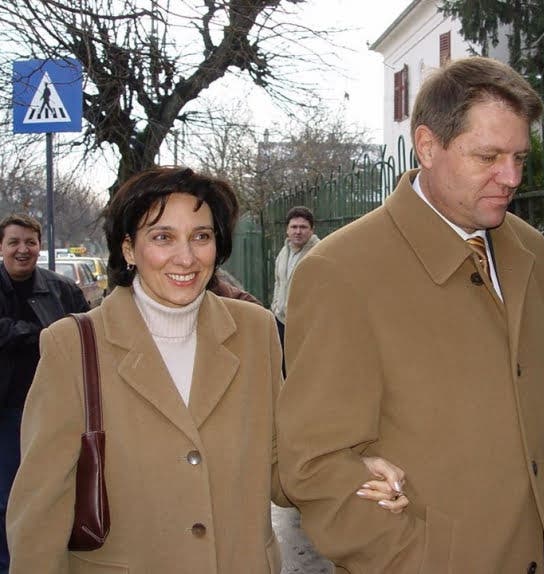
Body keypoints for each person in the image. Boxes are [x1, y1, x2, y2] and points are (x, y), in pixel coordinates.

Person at [7, 166, 407, 574]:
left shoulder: (255, 331)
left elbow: (281, 464)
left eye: (201, 236)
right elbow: (40, 510)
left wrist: (351, 474)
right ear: (128, 249)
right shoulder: (72, 345)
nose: (186, 257)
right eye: (163, 237)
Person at [277, 57, 544, 574]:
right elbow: (315, 465)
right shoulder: (340, 271)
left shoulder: (528, 248)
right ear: (428, 146)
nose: (512, 178)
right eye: (488, 156)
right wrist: (419, 559)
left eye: (519, 157)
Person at [0, 214, 89, 573]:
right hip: (7, 413)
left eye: (30, 242)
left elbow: (85, 336)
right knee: (8, 496)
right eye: (14, 242)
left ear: (39, 246)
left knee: (53, 492)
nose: (22, 250)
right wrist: (41, 334)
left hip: (56, 410)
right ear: (1, 246)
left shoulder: (62, 290)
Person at [271, 206, 319, 374]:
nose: (298, 231)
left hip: (305, 326)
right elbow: (278, 282)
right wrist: (275, 306)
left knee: (303, 372)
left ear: (312, 230)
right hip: (282, 321)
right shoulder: (284, 252)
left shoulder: (319, 253)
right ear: (287, 230)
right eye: (294, 227)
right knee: (282, 370)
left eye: (303, 227)